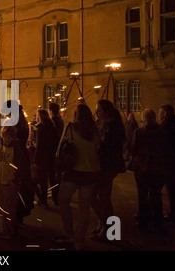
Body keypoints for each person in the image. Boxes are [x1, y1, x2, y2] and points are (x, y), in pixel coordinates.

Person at [54, 103, 100, 250]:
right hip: (91, 172)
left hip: (74, 171)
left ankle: (69, 233)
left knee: (63, 201)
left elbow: (60, 149)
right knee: (84, 207)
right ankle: (79, 241)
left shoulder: (70, 128)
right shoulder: (95, 131)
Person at [90, 100, 126, 240]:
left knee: (101, 197)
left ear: (106, 112)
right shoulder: (106, 125)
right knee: (99, 196)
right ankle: (104, 224)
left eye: (98, 111)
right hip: (104, 166)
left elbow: (108, 148)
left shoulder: (113, 127)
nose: (96, 114)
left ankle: (109, 230)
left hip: (107, 167)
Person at [129, 108, 164, 231]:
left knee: (142, 193)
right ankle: (158, 219)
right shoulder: (161, 132)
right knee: (156, 193)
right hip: (156, 166)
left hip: (142, 166)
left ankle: (144, 219)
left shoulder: (139, 132)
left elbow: (132, 148)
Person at [0, 126, 30, 239]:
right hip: (3, 181)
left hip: (10, 183)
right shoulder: (2, 149)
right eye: (5, 136)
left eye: (10, 137)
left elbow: (22, 167)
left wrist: (15, 180)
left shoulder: (16, 151)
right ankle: (5, 228)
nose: (7, 139)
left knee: (9, 208)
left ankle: (8, 231)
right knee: (2, 206)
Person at [33, 109, 59, 208]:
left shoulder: (41, 128)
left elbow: (39, 146)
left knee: (41, 181)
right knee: (52, 178)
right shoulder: (52, 126)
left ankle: (43, 201)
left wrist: (36, 160)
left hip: (43, 158)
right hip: (51, 156)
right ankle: (55, 199)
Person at [49, 102, 65, 205]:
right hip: (59, 150)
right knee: (58, 175)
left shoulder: (52, 122)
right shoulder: (61, 121)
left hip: (53, 151)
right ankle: (58, 194)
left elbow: (51, 138)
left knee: (53, 176)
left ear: (50, 111)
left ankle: (56, 196)